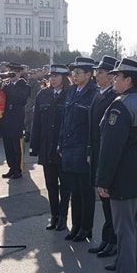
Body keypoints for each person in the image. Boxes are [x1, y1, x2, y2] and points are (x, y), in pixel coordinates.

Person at [95, 58, 137, 273]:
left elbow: (112, 147)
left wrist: (103, 180)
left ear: (129, 80)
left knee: (125, 227)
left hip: (125, 171)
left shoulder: (120, 105)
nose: (114, 79)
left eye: (118, 76)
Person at [59, 57, 99, 241]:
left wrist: (90, 150)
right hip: (69, 147)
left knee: (85, 191)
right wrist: (61, 142)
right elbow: (65, 118)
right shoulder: (72, 91)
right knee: (74, 190)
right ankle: (75, 225)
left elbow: (93, 127)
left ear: (89, 75)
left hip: (83, 149)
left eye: (78, 73)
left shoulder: (94, 94)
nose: (74, 76)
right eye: (73, 73)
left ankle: (86, 227)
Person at [30, 64, 71, 230]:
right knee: (51, 184)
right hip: (47, 146)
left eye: (57, 76)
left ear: (64, 78)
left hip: (63, 148)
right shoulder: (43, 95)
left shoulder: (70, 94)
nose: (53, 79)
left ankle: (63, 216)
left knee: (66, 185)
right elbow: (37, 123)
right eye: (51, 76)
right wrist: (34, 146)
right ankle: (53, 215)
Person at [89, 56, 119, 251]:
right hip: (96, 150)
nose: (96, 75)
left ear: (110, 76)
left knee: (109, 200)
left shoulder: (113, 97)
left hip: (105, 151)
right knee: (103, 198)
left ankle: (112, 240)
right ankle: (107, 239)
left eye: (100, 72)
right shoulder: (99, 94)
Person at [0, 62, 31, 179]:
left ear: (19, 73)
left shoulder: (24, 86)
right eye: (9, 72)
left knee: (17, 146)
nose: (11, 75)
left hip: (16, 119)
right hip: (6, 118)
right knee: (8, 146)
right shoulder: (7, 85)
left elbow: (19, 99)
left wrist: (7, 88)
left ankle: (18, 169)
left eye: (13, 73)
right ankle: (11, 167)